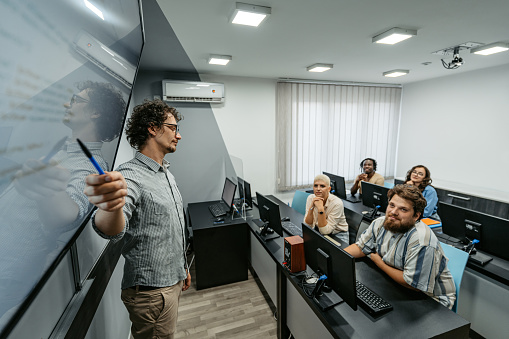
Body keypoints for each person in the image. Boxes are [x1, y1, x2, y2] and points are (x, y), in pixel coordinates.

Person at [0, 81, 126, 324]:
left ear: (95, 112)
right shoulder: (63, 150)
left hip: (8, 269)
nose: (67, 104)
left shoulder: (90, 166)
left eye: (77, 99)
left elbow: (68, 215)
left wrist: (48, 189)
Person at [84, 99, 191, 339]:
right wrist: (111, 206)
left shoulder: (165, 172)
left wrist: (182, 266)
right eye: (173, 128)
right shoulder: (130, 176)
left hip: (170, 280)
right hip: (153, 293)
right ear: (153, 128)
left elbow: (171, 228)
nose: (178, 136)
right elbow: (110, 230)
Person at [344, 184, 456, 310]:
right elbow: (360, 247)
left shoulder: (421, 240)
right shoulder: (380, 222)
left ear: (416, 216)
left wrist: (378, 262)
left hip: (431, 301)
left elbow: (412, 284)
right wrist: (338, 257)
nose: (393, 212)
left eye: (403, 209)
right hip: (396, 286)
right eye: (392, 205)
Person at [304, 174, 349, 244]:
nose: (318, 189)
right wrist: (311, 207)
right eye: (315, 186)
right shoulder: (310, 198)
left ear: (329, 189)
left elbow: (325, 231)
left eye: (322, 186)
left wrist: (320, 208)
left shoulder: (337, 203)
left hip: (338, 235)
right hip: (320, 230)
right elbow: (307, 225)